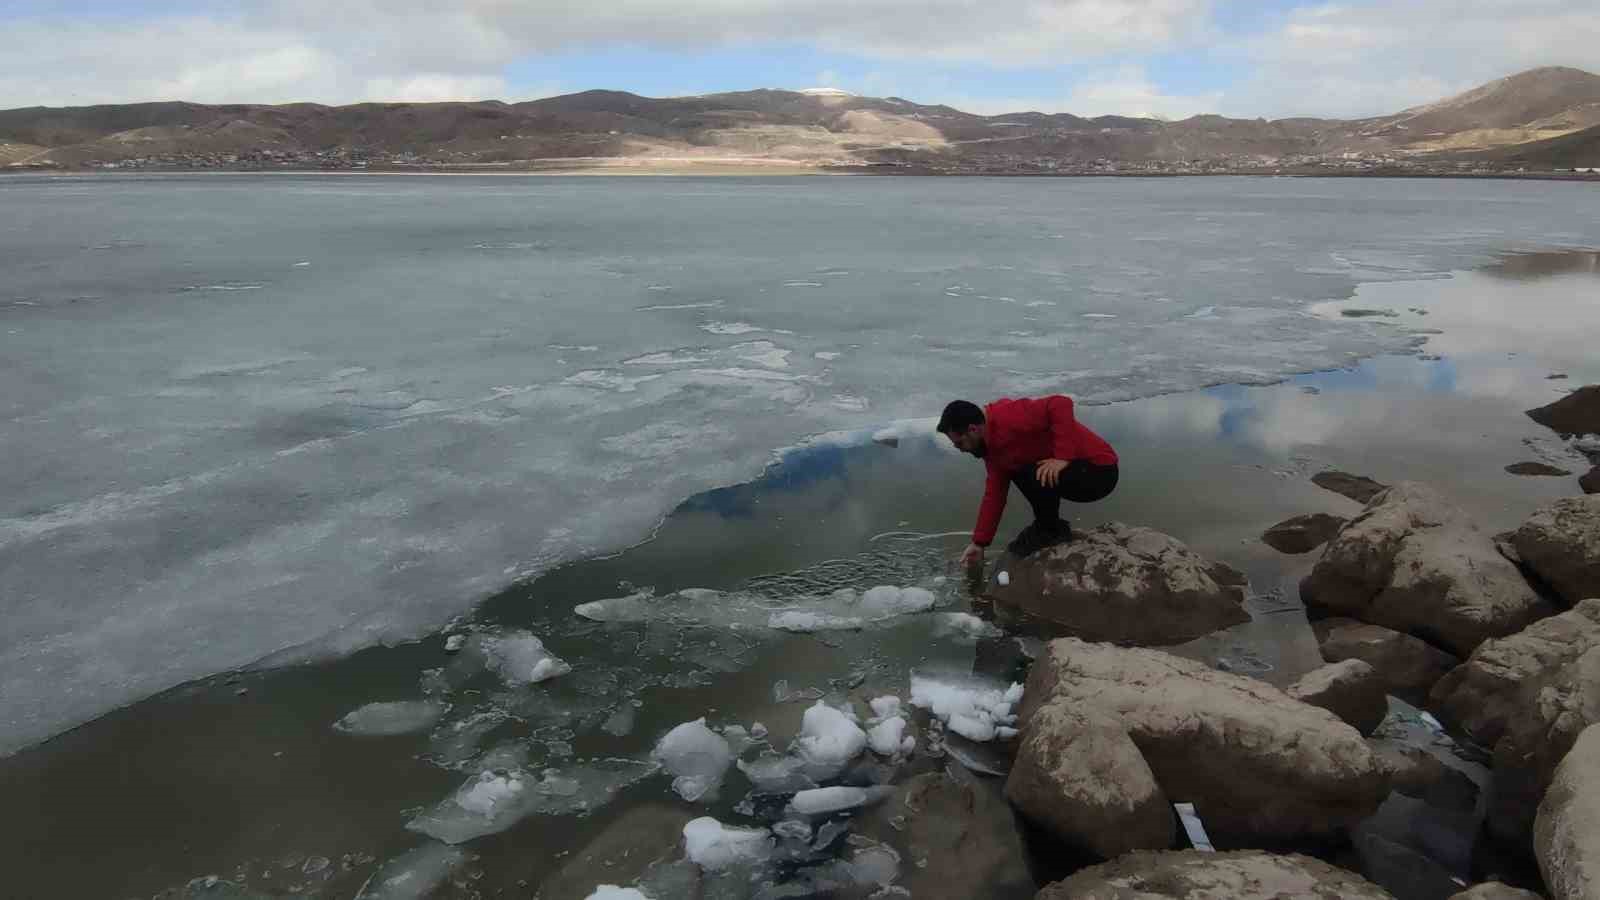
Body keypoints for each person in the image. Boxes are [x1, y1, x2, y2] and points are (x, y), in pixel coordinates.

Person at [937, 396, 1119, 566]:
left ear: (973, 430)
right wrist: (979, 543)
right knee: (1017, 469)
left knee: (1027, 470)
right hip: (1074, 472)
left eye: (959, 443)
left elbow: (1060, 404)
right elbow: (995, 495)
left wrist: (1063, 457)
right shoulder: (992, 450)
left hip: (1099, 471)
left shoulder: (1008, 416)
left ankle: (1048, 529)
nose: (959, 449)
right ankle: (1052, 527)